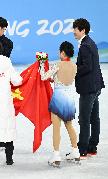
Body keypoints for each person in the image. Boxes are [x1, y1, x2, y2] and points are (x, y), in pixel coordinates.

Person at [40, 41, 80, 167]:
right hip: (69, 99)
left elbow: (43, 77)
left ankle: (56, 155)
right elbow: (64, 79)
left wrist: (41, 64)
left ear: (63, 52)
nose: (58, 53)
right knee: (69, 126)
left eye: (59, 51)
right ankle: (75, 151)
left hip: (58, 98)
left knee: (56, 128)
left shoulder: (57, 65)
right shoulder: (75, 66)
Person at [73, 18, 105, 159]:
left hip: (88, 88)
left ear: (83, 30)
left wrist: (73, 70)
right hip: (95, 86)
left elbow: (87, 66)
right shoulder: (90, 42)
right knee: (94, 118)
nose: (74, 32)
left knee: (85, 119)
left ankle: (83, 150)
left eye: (76, 29)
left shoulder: (85, 45)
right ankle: (92, 147)